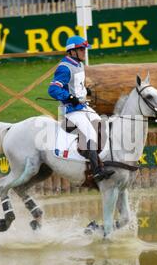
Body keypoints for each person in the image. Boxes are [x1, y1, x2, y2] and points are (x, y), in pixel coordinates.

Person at [48, 35, 114, 183]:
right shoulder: (64, 68)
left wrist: (85, 92)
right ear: (72, 51)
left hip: (83, 107)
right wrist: (70, 97)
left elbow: (76, 86)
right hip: (70, 111)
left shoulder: (79, 64)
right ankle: (96, 171)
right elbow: (53, 90)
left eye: (84, 49)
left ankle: (102, 160)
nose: (85, 52)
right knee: (90, 133)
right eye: (81, 49)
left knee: (101, 124)